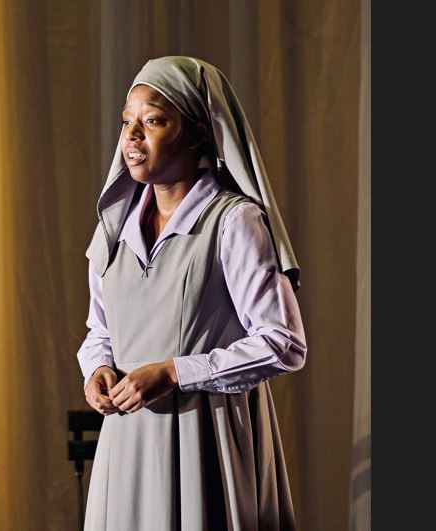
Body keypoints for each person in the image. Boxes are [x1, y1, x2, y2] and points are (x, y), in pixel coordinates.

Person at [75, 56, 307, 531]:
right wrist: (97, 367)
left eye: (153, 121)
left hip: (206, 441)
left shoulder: (233, 221)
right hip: (127, 444)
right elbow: (101, 330)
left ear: (198, 133)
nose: (132, 136)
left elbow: (283, 343)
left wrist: (173, 373)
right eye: (126, 121)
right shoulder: (113, 231)